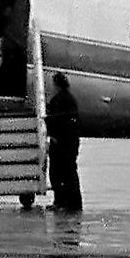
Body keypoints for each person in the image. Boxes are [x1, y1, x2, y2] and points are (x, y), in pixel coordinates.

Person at [45, 73, 82, 211]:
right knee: (67, 173)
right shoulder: (68, 99)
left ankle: (63, 202)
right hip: (69, 142)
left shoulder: (60, 100)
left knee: (59, 173)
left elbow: (58, 120)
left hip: (62, 143)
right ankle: (69, 203)